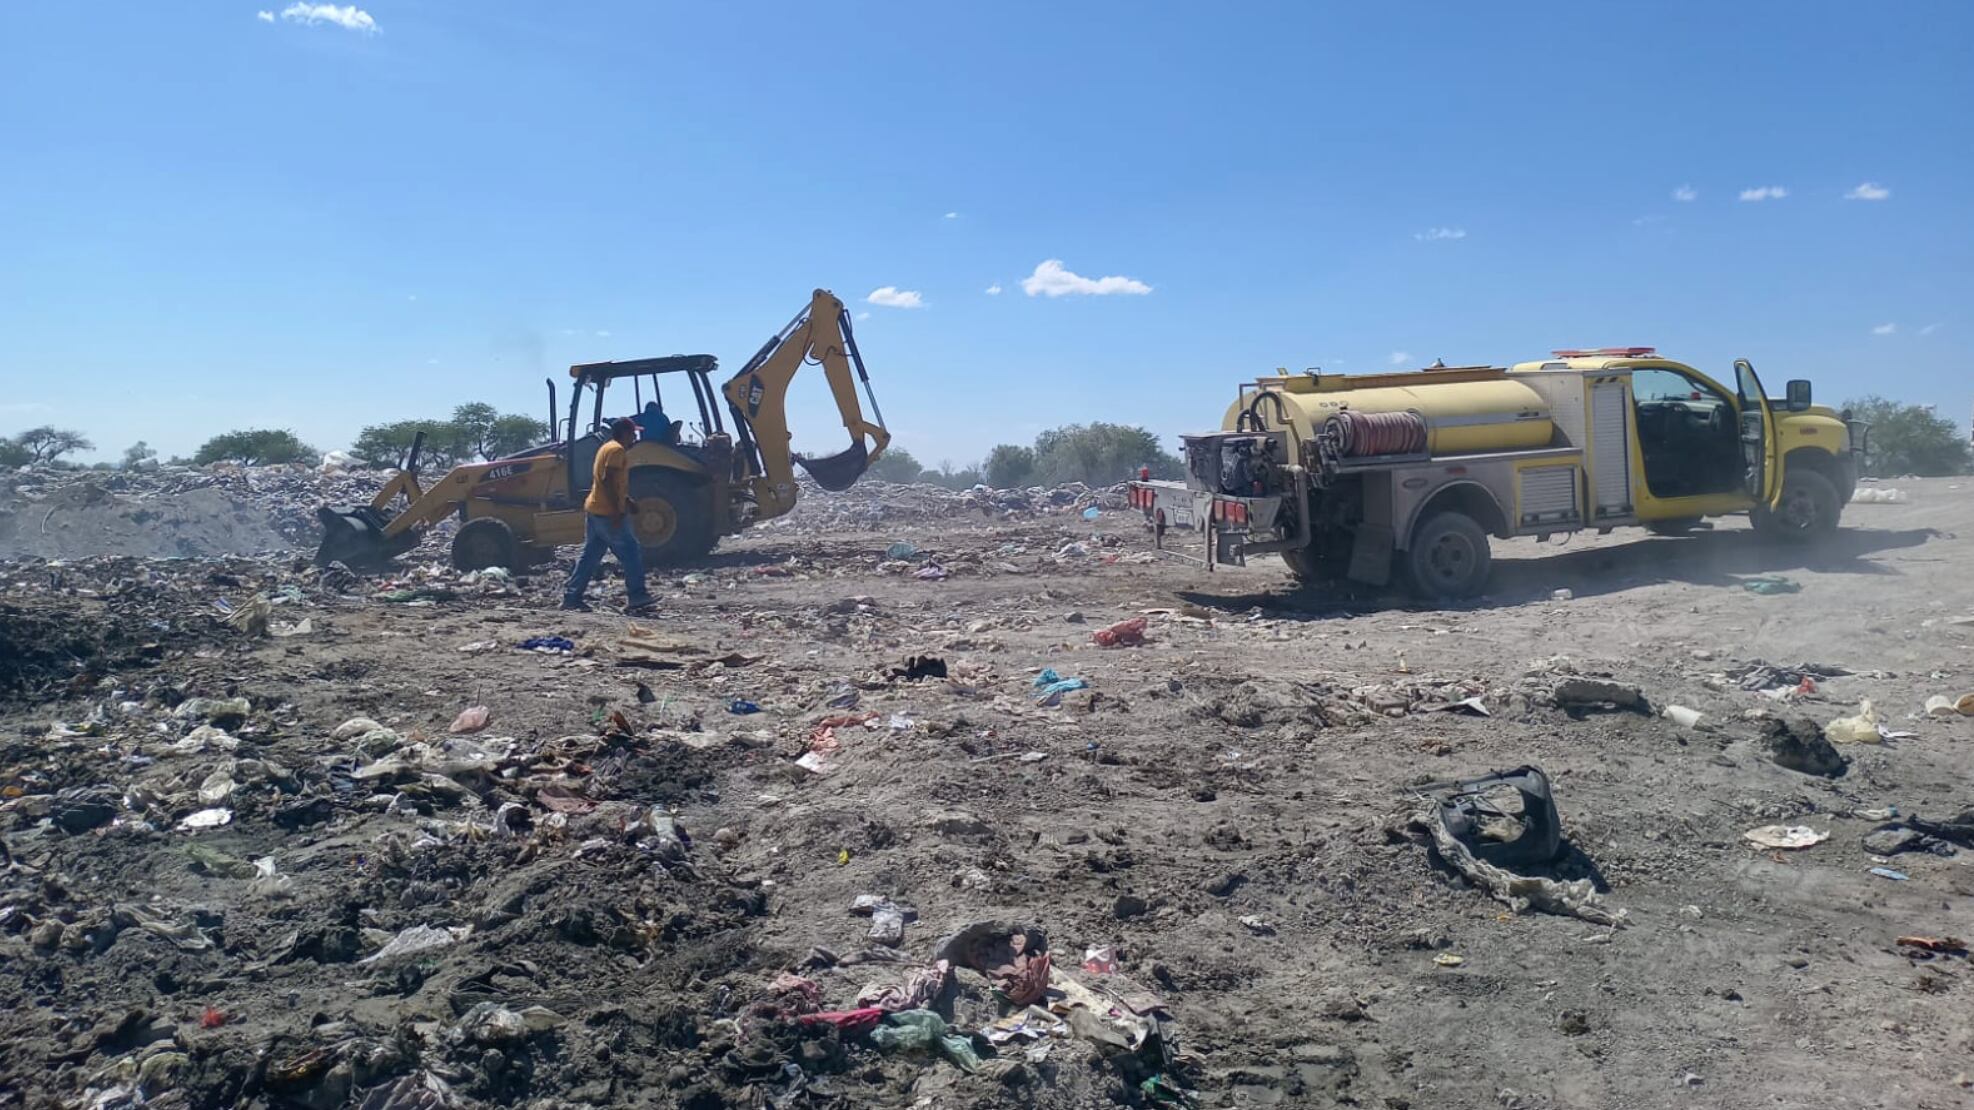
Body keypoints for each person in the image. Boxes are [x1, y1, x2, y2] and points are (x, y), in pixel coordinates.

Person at [562, 418, 655, 613]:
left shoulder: (607, 448)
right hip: (606, 512)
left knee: (590, 556)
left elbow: (610, 481)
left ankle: (572, 596)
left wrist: (627, 500)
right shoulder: (617, 451)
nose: (635, 437)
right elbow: (608, 480)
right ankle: (637, 595)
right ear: (625, 433)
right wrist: (616, 510)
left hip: (595, 509)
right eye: (633, 433)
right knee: (630, 551)